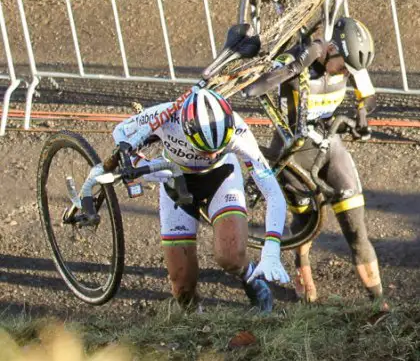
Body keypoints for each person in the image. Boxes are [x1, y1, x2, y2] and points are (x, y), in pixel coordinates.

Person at [242, 16, 388, 309]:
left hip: (328, 142)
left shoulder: (352, 63)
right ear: (331, 49)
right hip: (293, 149)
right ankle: (305, 278)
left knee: (357, 230)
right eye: (344, 67)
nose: (347, 73)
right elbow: (253, 88)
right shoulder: (301, 58)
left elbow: (367, 96)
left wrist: (361, 116)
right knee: (306, 223)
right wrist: (295, 66)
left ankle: (379, 302)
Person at [102, 88, 290, 312]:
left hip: (221, 179)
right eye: (203, 149)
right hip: (175, 180)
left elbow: (272, 192)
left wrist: (271, 251)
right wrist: (133, 158)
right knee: (182, 285)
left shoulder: (238, 131)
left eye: (218, 148)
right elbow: (120, 131)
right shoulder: (165, 116)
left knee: (230, 256)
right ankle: (197, 325)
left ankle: (253, 282)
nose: (211, 155)